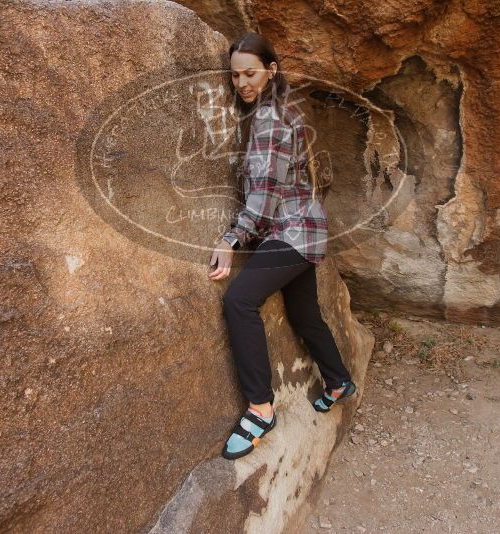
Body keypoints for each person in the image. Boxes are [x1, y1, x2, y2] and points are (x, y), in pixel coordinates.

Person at [208, 32, 356, 461]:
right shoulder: (283, 110)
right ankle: (338, 381)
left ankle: (260, 409)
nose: (241, 83)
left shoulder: (271, 117)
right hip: (304, 229)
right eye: (235, 76)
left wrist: (231, 238)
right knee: (305, 314)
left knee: (239, 300)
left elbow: (267, 192)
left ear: (271, 70)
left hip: (291, 232)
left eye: (250, 73)